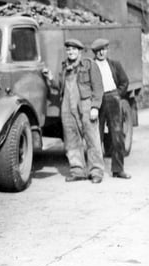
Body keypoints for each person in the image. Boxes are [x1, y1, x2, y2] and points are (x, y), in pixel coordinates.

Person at [42, 39, 105, 183]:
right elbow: (61, 86)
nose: (71, 52)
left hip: (85, 105)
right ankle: (78, 171)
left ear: (80, 51)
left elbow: (98, 87)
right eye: (69, 50)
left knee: (92, 138)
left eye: (74, 50)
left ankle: (96, 172)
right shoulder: (65, 67)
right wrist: (50, 78)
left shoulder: (89, 65)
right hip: (67, 105)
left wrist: (95, 107)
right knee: (71, 140)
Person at [91, 38, 131, 179]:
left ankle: (118, 169)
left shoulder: (115, 64)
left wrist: (117, 95)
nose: (102, 53)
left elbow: (124, 82)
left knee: (117, 135)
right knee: (97, 137)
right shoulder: (91, 66)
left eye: (104, 49)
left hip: (113, 99)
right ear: (95, 52)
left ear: (107, 50)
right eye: (99, 51)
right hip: (98, 101)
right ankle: (97, 172)